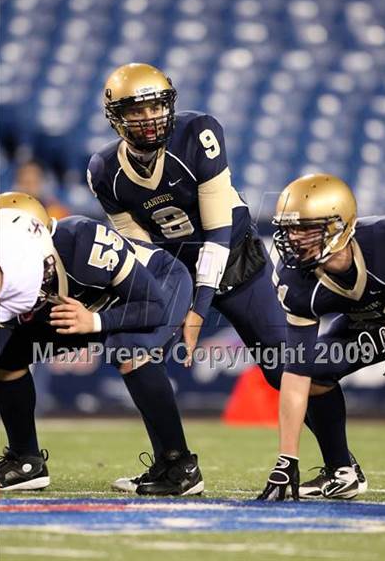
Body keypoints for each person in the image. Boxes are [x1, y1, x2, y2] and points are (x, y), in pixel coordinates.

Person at [87, 62, 367, 499]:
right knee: (131, 350)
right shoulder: (104, 170)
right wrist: (165, 298)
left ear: (170, 105)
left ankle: (341, 467)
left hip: (235, 261)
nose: (148, 119)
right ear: (115, 116)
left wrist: (197, 308)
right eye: (135, 110)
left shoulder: (197, 133)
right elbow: (140, 250)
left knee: (286, 368)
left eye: (156, 106)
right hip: (174, 267)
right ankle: (176, 467)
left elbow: (217, 231)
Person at [0, 192, 203, 497]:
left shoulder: (82, 242)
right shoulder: (10, 276)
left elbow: (153, 304)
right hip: (83, 307)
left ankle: (179, 465)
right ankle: (26, 461)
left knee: (127, 348)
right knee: (6, 359)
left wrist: (94, 322)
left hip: (155, 287)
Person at [258, 173, 385, 501]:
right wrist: (287, 459)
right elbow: (297, 369)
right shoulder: (296, 281)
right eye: (289, 229)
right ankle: (341, 471)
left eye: (306, 228)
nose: (295, 239)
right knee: (313, 368)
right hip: (370, 326)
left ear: (341, 225)